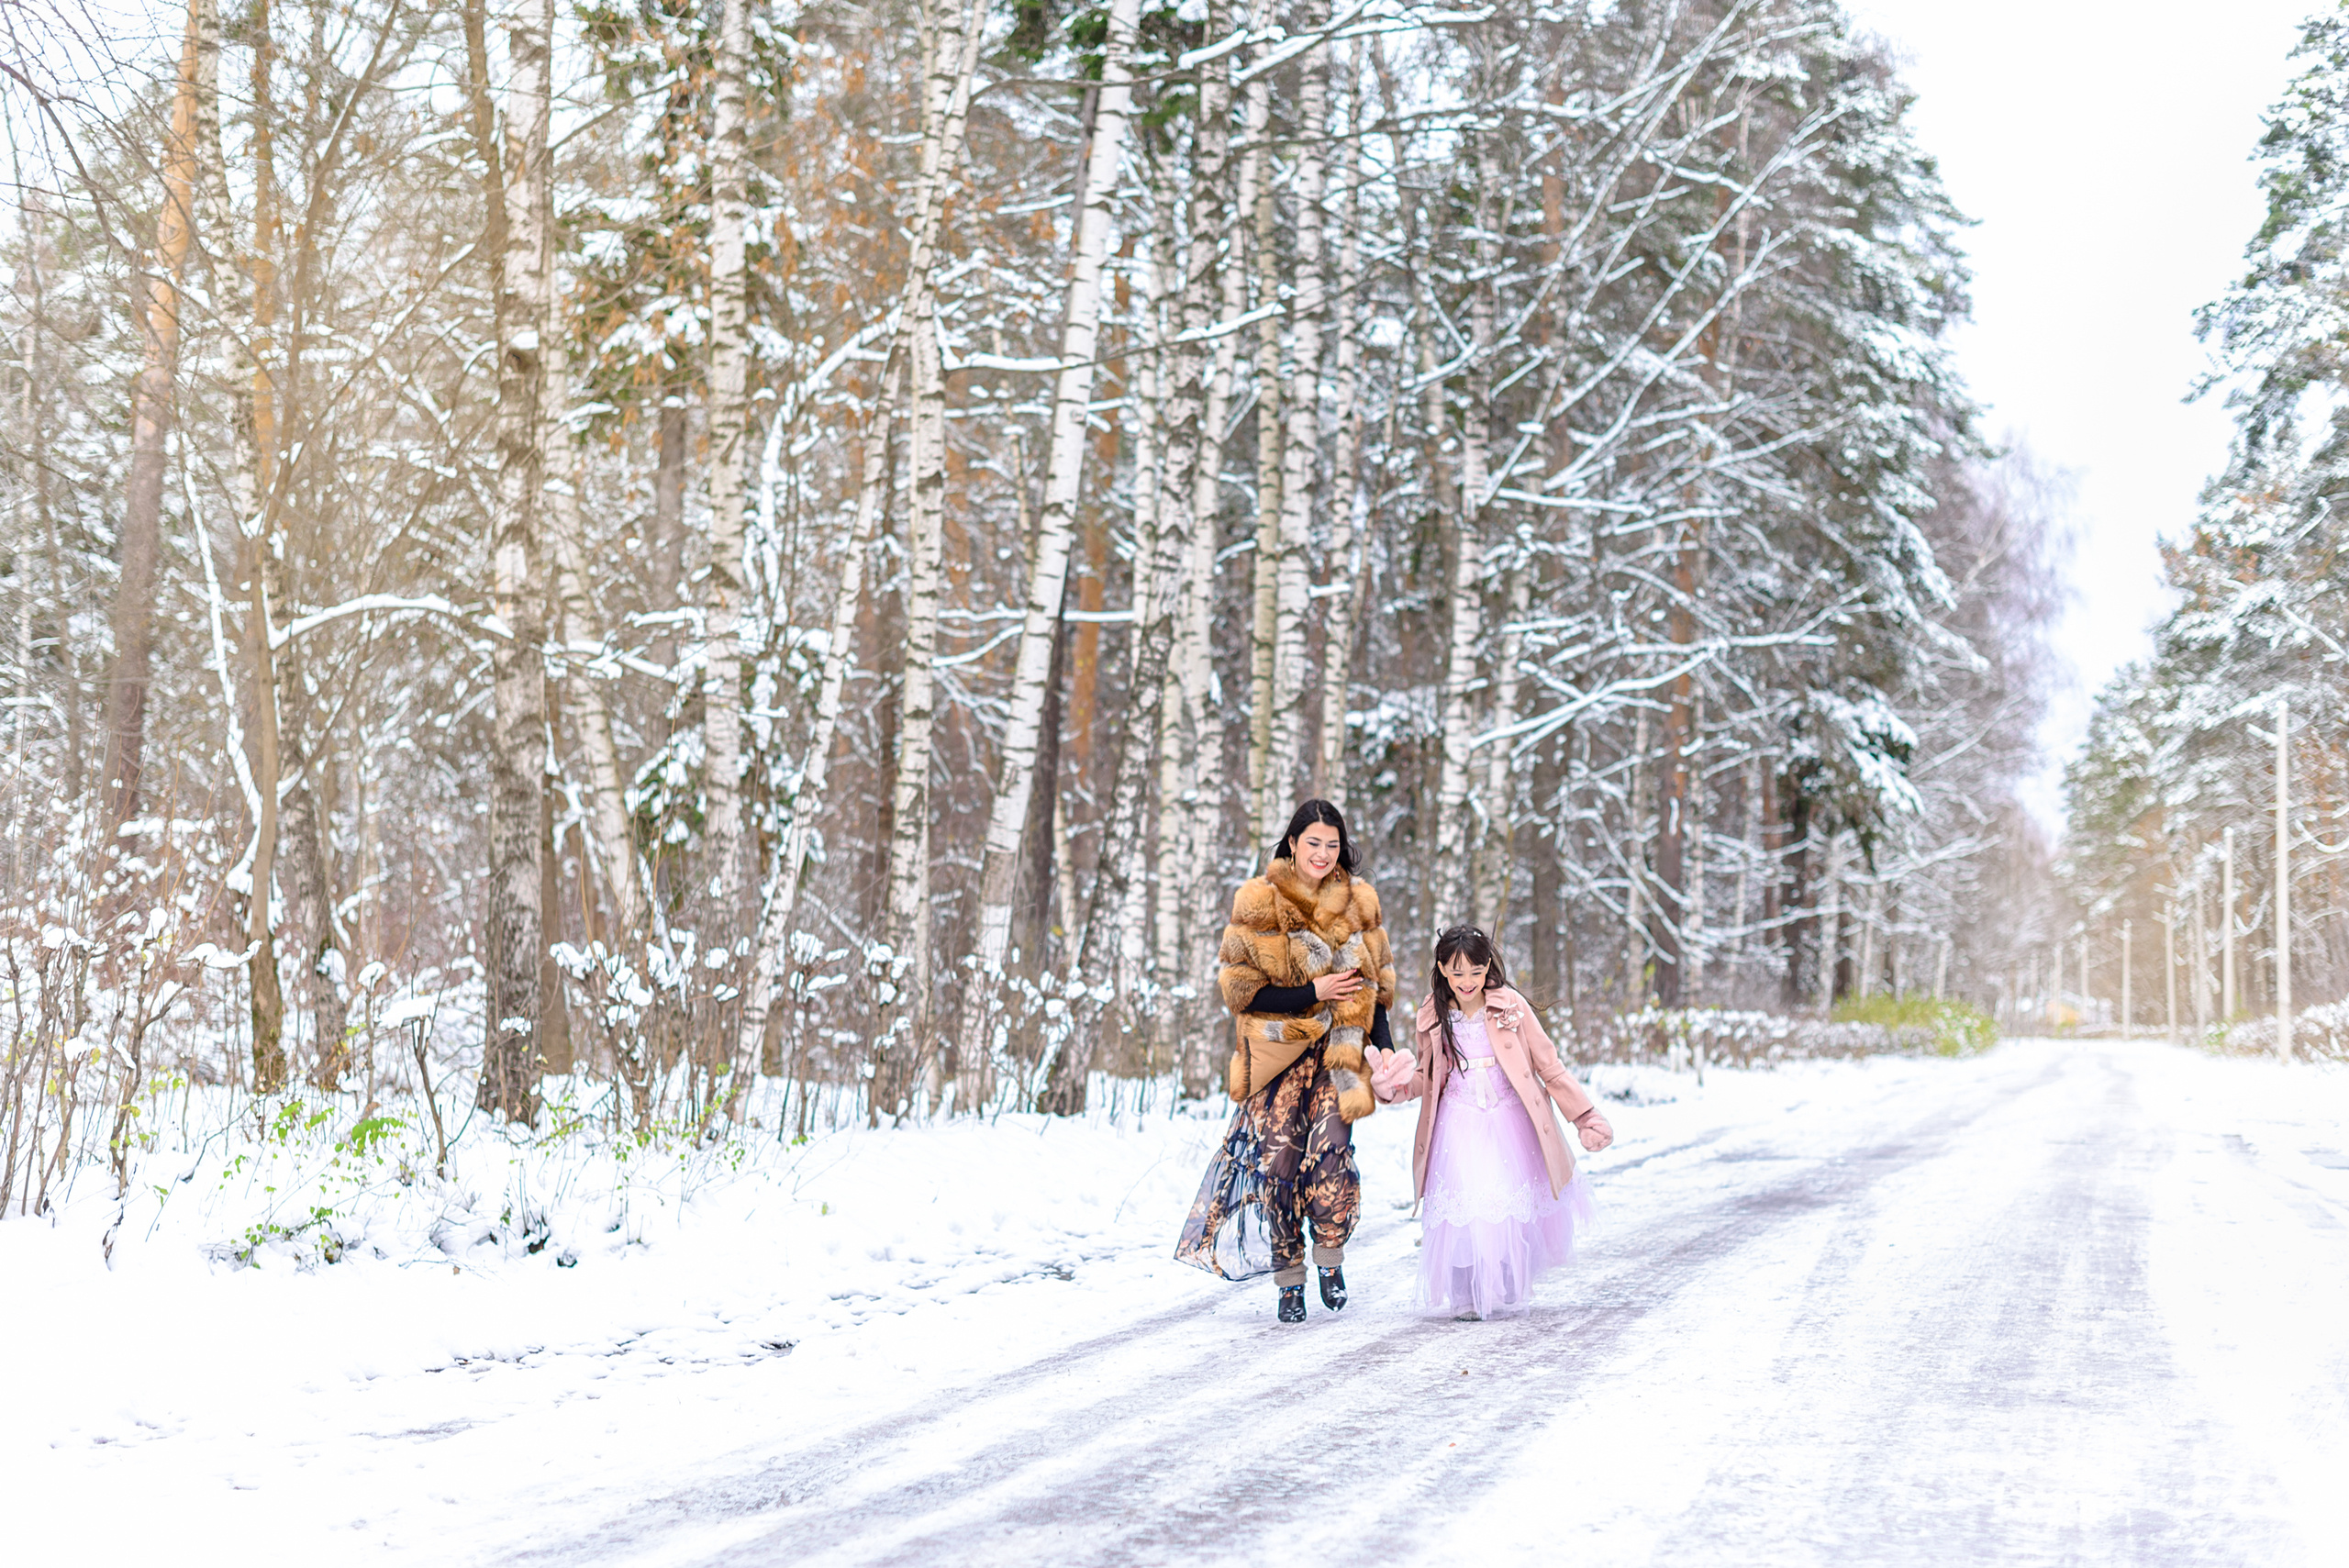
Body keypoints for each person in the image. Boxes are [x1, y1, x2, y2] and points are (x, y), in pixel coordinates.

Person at [1174, 799, 1397, 1324]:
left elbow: (1376, 990)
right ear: (1293, 843)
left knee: (1331, 1153)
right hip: (1279, 1056)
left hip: (1340, 1054)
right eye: (1312, 842)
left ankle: (1329, 1257)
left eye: (1333, 844)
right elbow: (1241, 994)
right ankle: (1289, 1277)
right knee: (1277, 1167)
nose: (1323, 854)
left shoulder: (1361, 902)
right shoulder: (1259, 901)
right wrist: (1312, 990)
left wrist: (1382, 1045)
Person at [1366, 924, 1612, 1319]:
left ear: (1488, 969)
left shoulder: (1510, 1006)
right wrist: (1391, 1086)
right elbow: (1425, 1079)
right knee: (1466, 1205)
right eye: (1458, 972)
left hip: (1511, 1119)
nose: (1468, 982)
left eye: (1476, 972)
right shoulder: (1433, 1014)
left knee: (1505, 1203)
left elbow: (1549, 1065)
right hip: (1457, 1121)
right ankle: (1466, 1295)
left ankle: (1505, 1284)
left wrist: (1584, 1116)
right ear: (1443, 970)